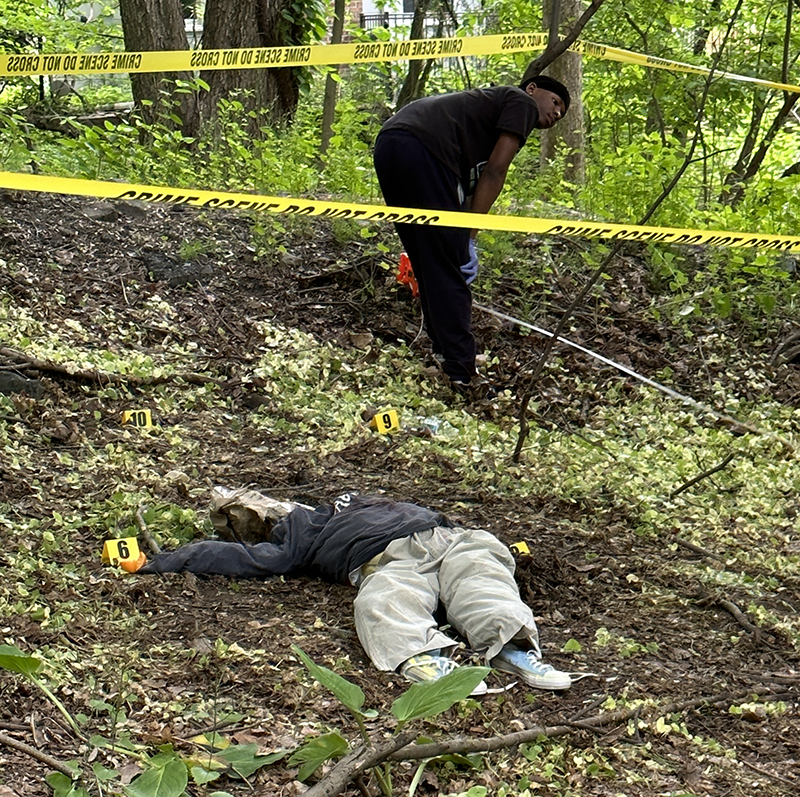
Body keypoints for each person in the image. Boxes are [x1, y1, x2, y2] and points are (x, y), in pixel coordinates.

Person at [140, 491, 571, 694]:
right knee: (385, 596)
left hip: (452, 537)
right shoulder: (299, 531)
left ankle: (512, 648)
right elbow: (246, 559)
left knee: (482, 574)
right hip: (389, 559)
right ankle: (422, 658)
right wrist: (161, 562)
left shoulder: (348, 502)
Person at [373, 75, 571, 395]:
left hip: (390, 143)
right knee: (448, 264)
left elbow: (468, 190)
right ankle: (461, 369)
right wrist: (469, 239)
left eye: (562, 113)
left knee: (429, 261)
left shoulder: (478, 119)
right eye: (556, 102)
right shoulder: (521, 102)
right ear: (533, 89)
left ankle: (445, 354)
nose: (557, 113)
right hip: (424, 148)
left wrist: (462, 234)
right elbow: (495, 171)